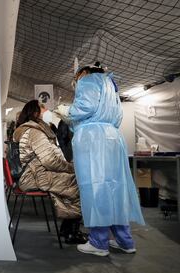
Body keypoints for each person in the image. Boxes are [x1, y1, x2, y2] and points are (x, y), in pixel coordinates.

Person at [55, 62, 145, 256]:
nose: (76, 83)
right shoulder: (110, 85)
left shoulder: (88, 80)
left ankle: (99, 241)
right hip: (113, 137)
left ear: (83, 73)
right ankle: (125, 241)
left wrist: (65, 111)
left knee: (95, 187)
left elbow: (84, 107)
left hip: (92, 139)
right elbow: (118, 114)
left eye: (76, 78)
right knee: (116, 189)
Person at [13, 100, 87, 244]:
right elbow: (49, 160)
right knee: (79, 183)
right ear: (35, 113)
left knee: (73, 181)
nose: (47, 112)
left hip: (35, 174)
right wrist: (70, 168)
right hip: (35, 176)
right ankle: (71, 232)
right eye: (43, 110)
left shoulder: (33, 130)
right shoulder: (34, 131)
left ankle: (67, 229)